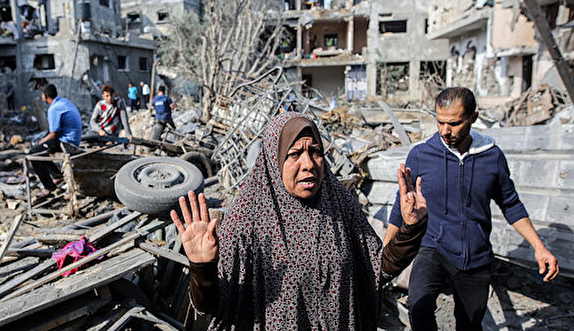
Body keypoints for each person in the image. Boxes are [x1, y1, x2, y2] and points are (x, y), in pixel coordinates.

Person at [171, 112, 429, 330]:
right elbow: (213, 306)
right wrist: (201, 267)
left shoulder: (339, 205)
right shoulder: (246, 218)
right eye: (295, 154)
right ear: (274, 159)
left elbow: (377, 269)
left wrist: (411, 229)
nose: (308, 164)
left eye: (315, 151)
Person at [384, 87, 559, 331]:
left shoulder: (492, 157)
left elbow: (511, 204)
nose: (445, 131)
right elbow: (399, 207)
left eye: (454, 123)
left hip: (475, 255)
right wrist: (384, 255)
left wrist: (539, 248)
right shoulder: (421, 155)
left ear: (473, 118)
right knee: (419, 308)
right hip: (433, 247)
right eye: (440, 122)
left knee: (469, 323)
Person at [29, 84, 82, 196]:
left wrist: (40, 142)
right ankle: (57, 176)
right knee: (42, 149)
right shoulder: (64, 102)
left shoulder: (53, 109)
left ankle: (48, 187)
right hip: (74, 138)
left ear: (45, 96)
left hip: (67, 141)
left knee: (34, 153)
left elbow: (53, 134)